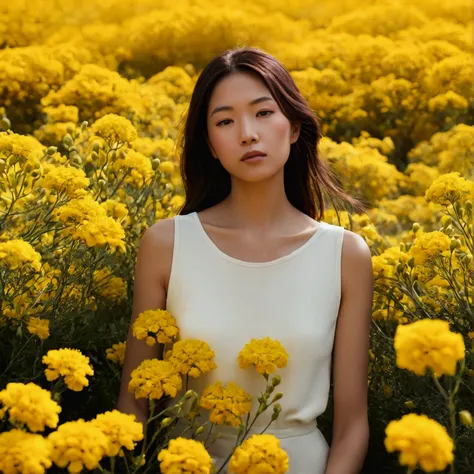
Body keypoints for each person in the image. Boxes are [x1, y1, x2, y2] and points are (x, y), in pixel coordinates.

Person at [117, 46, 373, 474]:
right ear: (211, 146)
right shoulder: (166, 244)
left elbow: (352, 426)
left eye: (263, 113)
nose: (247, 134)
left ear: (293, 127)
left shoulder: (345, 254)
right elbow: (134, 403)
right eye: (225, 121)